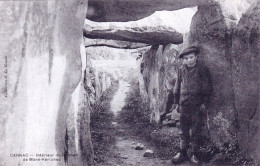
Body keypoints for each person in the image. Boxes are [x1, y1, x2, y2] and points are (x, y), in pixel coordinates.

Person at [171, 46, 213, 164]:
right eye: (186, 58)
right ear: (183, 60)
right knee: (183, 128)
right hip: (184, 103)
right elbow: (177, 85)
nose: (189, 60)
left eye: (191, 57)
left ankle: (194, 153)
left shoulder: (202, 69)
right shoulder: (181, 69)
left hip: (197, 104)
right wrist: (176, 101)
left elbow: (206, 86)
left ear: (196, 57)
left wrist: (204, 102)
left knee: (195, 129)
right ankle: (182, 152)